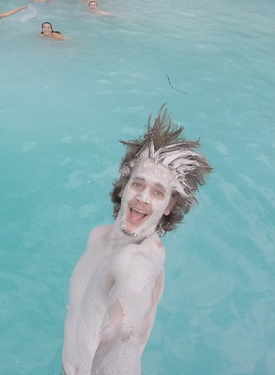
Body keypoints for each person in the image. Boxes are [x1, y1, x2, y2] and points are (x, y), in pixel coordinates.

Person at [62, 107, 212, 375]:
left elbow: (123, 335)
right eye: (139, 184)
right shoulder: (98, 236)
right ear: (124, 184)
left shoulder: (139, 261)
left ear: (169, 205)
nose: (143, 198)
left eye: (158, 192)